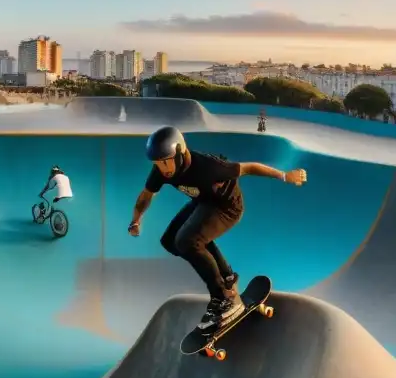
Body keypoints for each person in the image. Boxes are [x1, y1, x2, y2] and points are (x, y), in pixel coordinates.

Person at [129, 125, 307, 332]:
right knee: (170, 241)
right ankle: (227, 276)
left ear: (179, 152)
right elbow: (146, 196)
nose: (163, 168)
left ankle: (223, 299)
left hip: (228, 208)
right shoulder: (161, 171)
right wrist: (136, 220)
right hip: (203, 203)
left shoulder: (209, 166)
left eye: (166, 161)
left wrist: (285, 176)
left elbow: (248, 168)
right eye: (158, 163)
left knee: (187, 241)